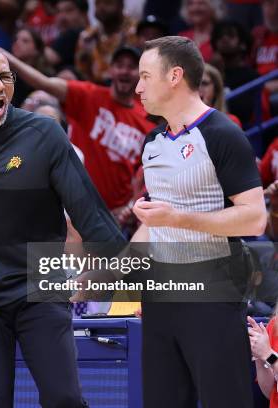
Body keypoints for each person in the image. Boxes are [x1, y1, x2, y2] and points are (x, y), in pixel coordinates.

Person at [132, 36, 266, 408]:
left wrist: (179, 218)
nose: (138, 86)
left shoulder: (222, 133)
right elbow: (154, 224)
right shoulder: (152, 141)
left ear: (174, 76)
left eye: (145, 76)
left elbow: (254, 217)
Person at [1, 45, 155, 221]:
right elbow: (44, 82)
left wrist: (129, 208)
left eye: (131, 67)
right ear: (111, 70)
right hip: (73, 209)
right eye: (119, 65)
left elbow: (145, 178)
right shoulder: (89, 96)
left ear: (142, 74)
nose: (125, 72)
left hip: (115, 220)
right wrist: (7, 57)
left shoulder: (147, 122)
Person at [248, 315, 278, 407]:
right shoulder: (275, 324)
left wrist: (268, 354)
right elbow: (270, 393)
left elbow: (268, 355)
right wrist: (258, 354)